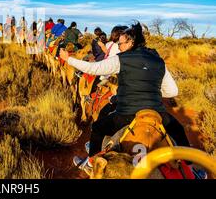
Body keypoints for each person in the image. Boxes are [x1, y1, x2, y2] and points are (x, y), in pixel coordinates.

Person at [60, 22, 189, 175]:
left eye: (121, 43)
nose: (119, 47)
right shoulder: (158, 60)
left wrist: (69, 59)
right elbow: (173, 91)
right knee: (179, 131)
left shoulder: (122, 59)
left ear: (131, 42)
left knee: (98, 128)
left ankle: (91, 162)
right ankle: (192, 169)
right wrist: (149, 91)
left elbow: (93, 68)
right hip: (157, 113)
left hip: (128, 114)